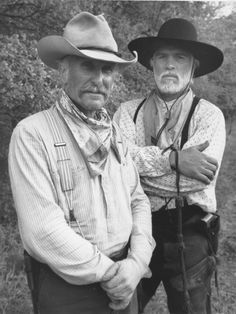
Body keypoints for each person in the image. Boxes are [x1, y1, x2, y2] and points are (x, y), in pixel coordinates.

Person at [8, 12, 155, 314]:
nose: (99, 79)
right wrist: (112, 273)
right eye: (87, 65)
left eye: (107, 69)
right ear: (63, 70)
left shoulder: (115, 132)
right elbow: (42, 229)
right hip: (68, 288)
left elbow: (137, 200)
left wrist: (137, 263)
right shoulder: (33, 133)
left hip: (126, 275)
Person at [114, 18, 226, 314]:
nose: (170, 65)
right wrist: (173, 160)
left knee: (190, 309)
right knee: (122, 305)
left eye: (180, 57)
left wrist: (136, 169)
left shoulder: (209, 116)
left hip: (190, 229)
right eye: (163, 56)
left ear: (194, 66)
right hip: (136, 226)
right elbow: (117, 169)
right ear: (152, 63)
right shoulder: (127, 113)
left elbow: (197, 181)